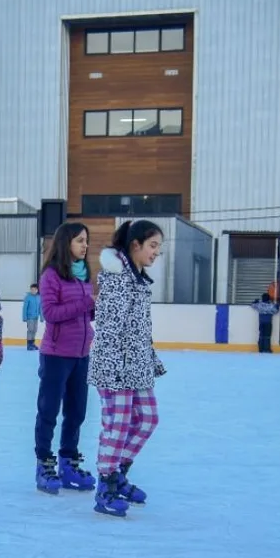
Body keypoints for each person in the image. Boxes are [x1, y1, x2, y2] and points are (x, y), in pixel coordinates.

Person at [90, 220, 165, 518]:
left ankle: (117, 472)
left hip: (138, 366)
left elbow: (139, 330)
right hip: (115, 367)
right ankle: (106, 485)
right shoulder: (117, 279)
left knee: (148, 418)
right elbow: (108, 329)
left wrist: (150, 359)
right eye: (153, 245)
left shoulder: (137, 278)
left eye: (159, 247)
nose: (157, 253)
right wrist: (115, 368)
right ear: (135, 245)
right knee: (117, 426)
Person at [35, 222, 97, 495]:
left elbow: (84, 314)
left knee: (77, 413)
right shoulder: (51, 275)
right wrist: (86, 304)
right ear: (65, 243)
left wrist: (95, 309)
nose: (85, 245)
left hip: (82, 354)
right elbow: (50, 313)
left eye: (86, 241)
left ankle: (68, 464)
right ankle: (44, 464)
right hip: (56, 354)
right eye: (80, 240)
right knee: (49, 412)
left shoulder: (84, 275)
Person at [22, 283, 42, 351]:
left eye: (34, 289)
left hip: (36, 317)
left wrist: (42, 317)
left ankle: (32, 343)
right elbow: (25, 308)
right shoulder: (28, 297)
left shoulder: (39, 297)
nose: (33, 291)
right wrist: (24, 317)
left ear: (37, 290)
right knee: (30, 330)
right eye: (32, 289)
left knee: (34, 330)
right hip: (29, 317)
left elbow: (40, 308)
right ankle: (29, 344)